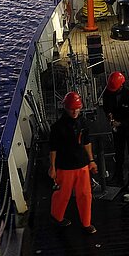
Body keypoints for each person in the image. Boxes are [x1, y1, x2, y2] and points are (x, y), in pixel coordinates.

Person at [48, 91, 98, 234]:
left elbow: (87, 141)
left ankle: (86, 223)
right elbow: (53, 148)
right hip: (65, 166)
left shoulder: (83, 122)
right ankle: (56, 217)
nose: (75, 111)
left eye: (77, 108)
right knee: (63, 194)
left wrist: (91, 160)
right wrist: (52, 167)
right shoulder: (57, 127)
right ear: (66, 108)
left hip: (82, 165)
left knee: (85, 194)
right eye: (72, 108)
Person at [102, 71, 129, 191]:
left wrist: (121, 123)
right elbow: (106, 106)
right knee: (118, 152)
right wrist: (109, 115)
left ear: (121, 85)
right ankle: (118, 176)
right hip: (117, 127)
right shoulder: (108, 92)